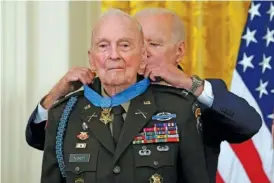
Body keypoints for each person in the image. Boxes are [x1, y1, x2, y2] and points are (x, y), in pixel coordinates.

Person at [26, 8, 262, 183]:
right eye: (137, 42)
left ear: (179, 51)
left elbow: (247, 124)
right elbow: (45, 138)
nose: (144, 54)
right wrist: (54, 96)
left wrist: (190, 84)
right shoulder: (90, 97)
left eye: (153, 44)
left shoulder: (188, 102)